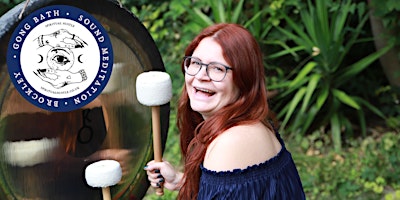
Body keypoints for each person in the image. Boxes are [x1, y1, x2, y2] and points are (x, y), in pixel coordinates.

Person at [144, 23, 305, 199]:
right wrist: (180, 181)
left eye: (217, 68)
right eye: (196, 63)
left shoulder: (231, 143)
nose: (200, 76)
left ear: (244, 80)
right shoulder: (251, 124)